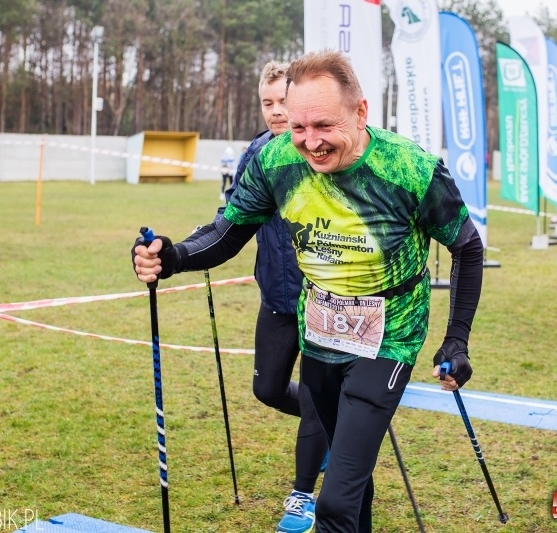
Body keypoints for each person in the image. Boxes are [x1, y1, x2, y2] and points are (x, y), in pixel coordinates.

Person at [133, 50, 484, 532]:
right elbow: (228, 231)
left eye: (323, 126)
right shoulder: (276, 160)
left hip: (391, 334)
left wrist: (457, 338)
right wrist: (174, 257)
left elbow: (467, 246)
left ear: (360, 112)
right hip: (319, 330)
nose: (311, 144)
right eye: (299, 128)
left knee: (334, 504)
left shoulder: (409, 169)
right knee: (349, 475)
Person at [220, 60, 329, 533]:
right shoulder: (257, 153)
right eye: (268, 103)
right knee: (267, 389)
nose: (277, 112)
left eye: (284, 101)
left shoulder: (319, 151)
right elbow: (232, 215)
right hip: (278, 297)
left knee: (319, 393)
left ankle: (303, 494)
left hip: (325, 300)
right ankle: (335, 427)